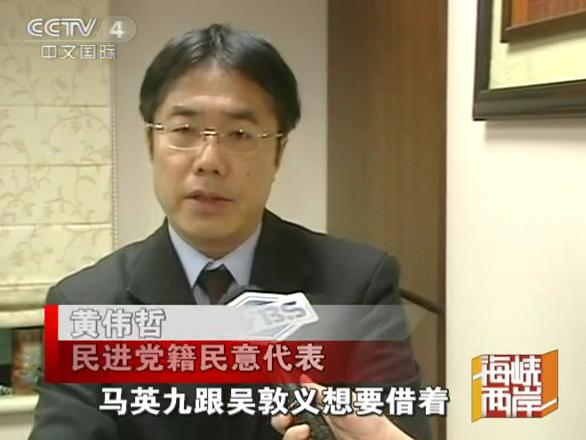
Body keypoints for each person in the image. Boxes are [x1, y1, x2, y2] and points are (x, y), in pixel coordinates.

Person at [29, 24, 430, 440]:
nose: (209, 160)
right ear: (151, 143)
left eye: (240, 134)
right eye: (184, 131)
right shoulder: (85, 305)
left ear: (279, 151)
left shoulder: (359, 285)